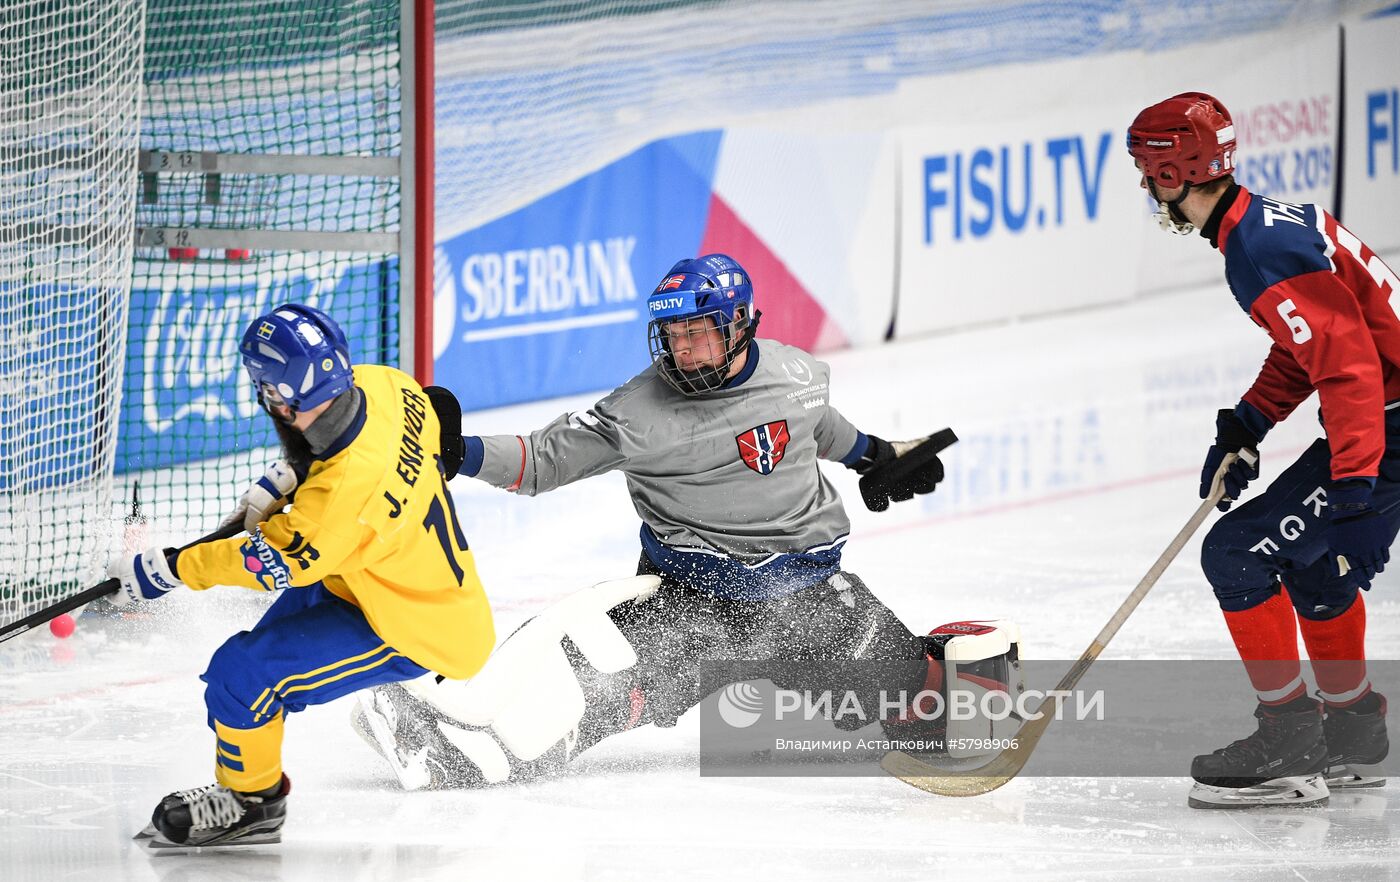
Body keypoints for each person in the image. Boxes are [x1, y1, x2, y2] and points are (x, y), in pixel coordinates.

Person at [352, 253, 1011, 789]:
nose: (685, 351)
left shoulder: (797, 376)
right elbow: (543, 458)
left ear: (739, 324)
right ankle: (450, 743)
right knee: (584, 692)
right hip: (697, 605)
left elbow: (823, 430)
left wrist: (880, 456)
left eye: (699, 333)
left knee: (920, 707)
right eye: (673, 336)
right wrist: (459, 453)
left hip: (808, 597)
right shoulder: (636, 412)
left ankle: (949, 660)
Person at [109, 303, 495, 846]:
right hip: (374, 577)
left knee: (242, 675)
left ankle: (252, 804)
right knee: (245, 676)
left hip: (416, 628)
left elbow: (263, 562)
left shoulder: (336, 506)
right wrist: (292, 473)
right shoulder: (386, 386)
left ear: (278, 395)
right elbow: (435, 407)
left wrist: (166, 570)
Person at [1127, 93, 1394, 808]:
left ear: (1174, 170)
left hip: (1389, 428)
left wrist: (1355, 483)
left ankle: (1289, 740)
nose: (1148, 190)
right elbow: (1314, 344)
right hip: (1388, 419)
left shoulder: (1258, 246)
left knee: (1237, 553)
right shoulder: (1263, 223)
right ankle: (1354, 734)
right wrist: (1250, 422)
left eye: (1149, 174)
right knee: (1314, 569)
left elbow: (1349, 367)